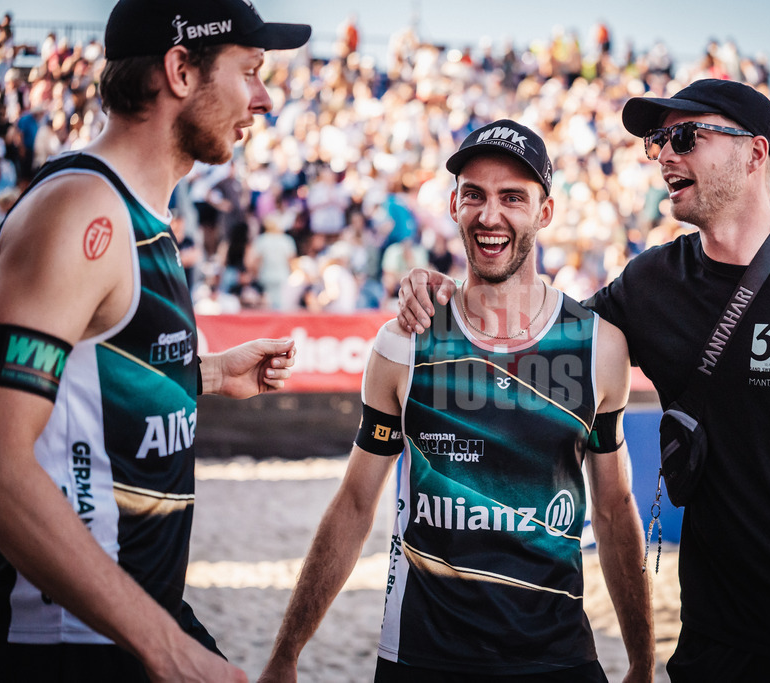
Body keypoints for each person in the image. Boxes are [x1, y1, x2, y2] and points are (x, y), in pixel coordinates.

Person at [395, 80, 770, 682]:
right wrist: (446, 290)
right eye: (657, 143)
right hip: (718, 643)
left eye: (686, 136)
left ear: (754, 152)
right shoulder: (649, 283)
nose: (665, 154)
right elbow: (541, 331)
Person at [258, 119, 654, 682]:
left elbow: (614, 509)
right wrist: (285, 653)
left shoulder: (597, 347)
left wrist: (641, 662)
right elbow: (354, 504)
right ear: (453, 204)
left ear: (545, 212)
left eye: (512, 197)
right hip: (422, 656)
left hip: (556, 658)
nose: (490, 216)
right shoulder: (405, 342)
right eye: (475, 195)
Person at [0, 0, 309, 680]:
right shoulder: (81, 212)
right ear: (180, 71)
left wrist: (211, 375)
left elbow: (88, 375)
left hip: (128, 617)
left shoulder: (140, 212)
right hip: (71, 639)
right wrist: (164, 648)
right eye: (250, 72)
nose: (263, 98)